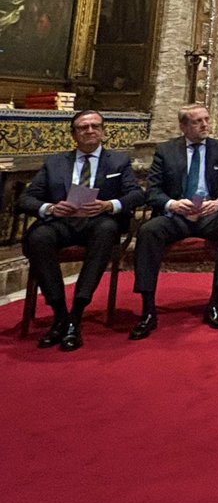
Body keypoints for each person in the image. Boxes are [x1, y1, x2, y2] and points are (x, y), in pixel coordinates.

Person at [19, 109, 144, 351]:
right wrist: (50, 208)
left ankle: (77, 312)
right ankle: (59, 313)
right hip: (61, 222)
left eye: (95, 126)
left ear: (103, 131)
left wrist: (109, 205)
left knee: (106, 230)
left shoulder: (118, 161)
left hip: (97, 221)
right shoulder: (55, 162)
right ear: (74, 135)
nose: (90, 131)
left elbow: (137, 194)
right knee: (38, 237)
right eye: (83, 127)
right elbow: (27, 199)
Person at [129, 103, 218, 339]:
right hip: (176, 215)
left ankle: (217, 301)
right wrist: (172, 204)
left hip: (209, 214)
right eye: (197, 121)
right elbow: (153, 191)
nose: (204, 125)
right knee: (149, 230)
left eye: (206, 119)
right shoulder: (166, 150)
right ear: (183, 126)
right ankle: (148, 308)